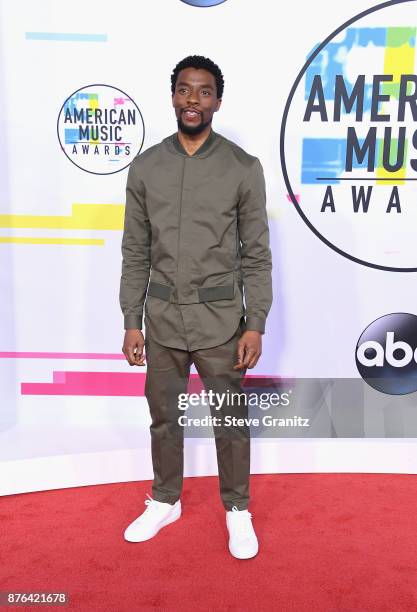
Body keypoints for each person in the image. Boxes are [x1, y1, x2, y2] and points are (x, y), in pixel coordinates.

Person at [119, 55, 272, 559]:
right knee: (163, 417)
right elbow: (135, 251)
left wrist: (255, 324)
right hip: (161, 321)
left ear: (217, 102)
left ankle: (237, 510)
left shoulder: (243, 168)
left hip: (221, 323)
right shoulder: (145, 167)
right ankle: (165, 499)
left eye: (204, 92)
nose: (193, 100)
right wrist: (131, 320)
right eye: (185, 90)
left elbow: (257, 255)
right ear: (173, 96)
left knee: (229, 421)